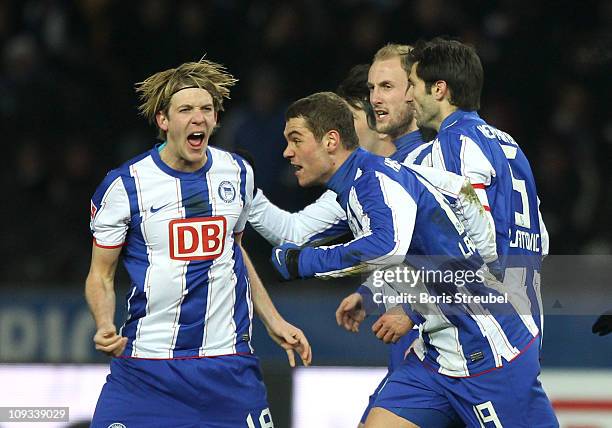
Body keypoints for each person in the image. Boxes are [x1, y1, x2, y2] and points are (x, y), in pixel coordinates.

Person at [271, 91, 557, 427]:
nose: (287, 152)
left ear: (331, 140)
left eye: (295, 139)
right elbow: (455, 199)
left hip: (490, 351)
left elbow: (386, 247)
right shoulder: (375, 178)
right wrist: (375, 294)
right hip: (436, 356)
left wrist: (301, 263)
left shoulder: (374, 181)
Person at [249, 54, 496, 427]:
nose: (374, 102)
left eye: (387, 87)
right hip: (424, 353)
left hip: (470, 342)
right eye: (370, 91)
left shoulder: (437, 163)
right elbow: (296, 232)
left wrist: (413, 308)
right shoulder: (361, 182)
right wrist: (239, 192)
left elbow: (481, 253)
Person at [85, 58, 311, 428]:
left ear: (216, 119)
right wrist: (103, 322)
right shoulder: (124, 186)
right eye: (186, 109)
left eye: (207, 109)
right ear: (163, 120)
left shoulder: (237, 173)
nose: (198, 118)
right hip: (146, 369)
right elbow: (100, 274)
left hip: (227, 367)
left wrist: (273, 319)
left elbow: (232, 251)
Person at [406, 38, 549, 346]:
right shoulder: (508, 143)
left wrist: (415, 308)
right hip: (529, 321)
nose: (409, 96)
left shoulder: (453, 144)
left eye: (413, 84)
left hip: (488, 331)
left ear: (439, 89)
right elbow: (543, 239)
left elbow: (475, 238)